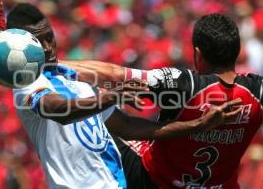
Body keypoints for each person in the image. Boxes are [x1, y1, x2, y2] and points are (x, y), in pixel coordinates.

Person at [0, 0, 242, 189]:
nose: (49, 47)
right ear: (24, 47)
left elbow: (130, 127)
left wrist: (197, 124)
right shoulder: (28, 81)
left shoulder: (76, 82)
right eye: (40, 41)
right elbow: (59, 110)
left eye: (51, 37)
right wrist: (111, 94)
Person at [61, 14, 263, 189]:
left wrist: (52, 63)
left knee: (93, 112)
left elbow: (113, 74)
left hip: (152, 180)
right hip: (220, 185)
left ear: (197, 54)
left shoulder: (184, 84)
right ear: (237, 52)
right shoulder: (257, 91)